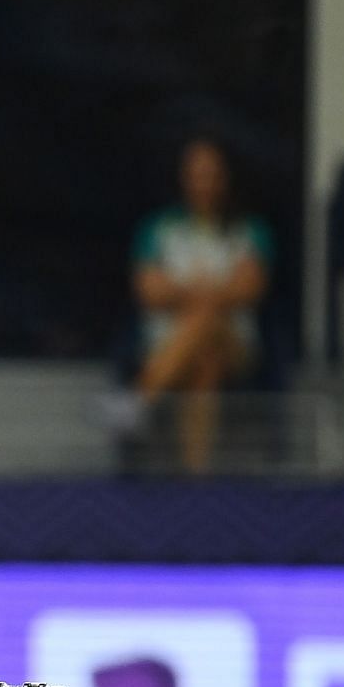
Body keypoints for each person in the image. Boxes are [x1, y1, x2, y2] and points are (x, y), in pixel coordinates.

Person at [129, 136, 273, 473]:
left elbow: (248, 290)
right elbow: (149, 293)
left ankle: (139, 399)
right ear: (183, 177)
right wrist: (214, 291)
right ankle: (197, 483)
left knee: (207, 320)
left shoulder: (251, 231)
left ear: (226, 178)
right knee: (204, 365)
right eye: (196, 174)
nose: (203, 183)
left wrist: (184, 291)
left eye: (212, 174)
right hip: (165, 343)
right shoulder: (157, 228)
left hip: (236, 343)